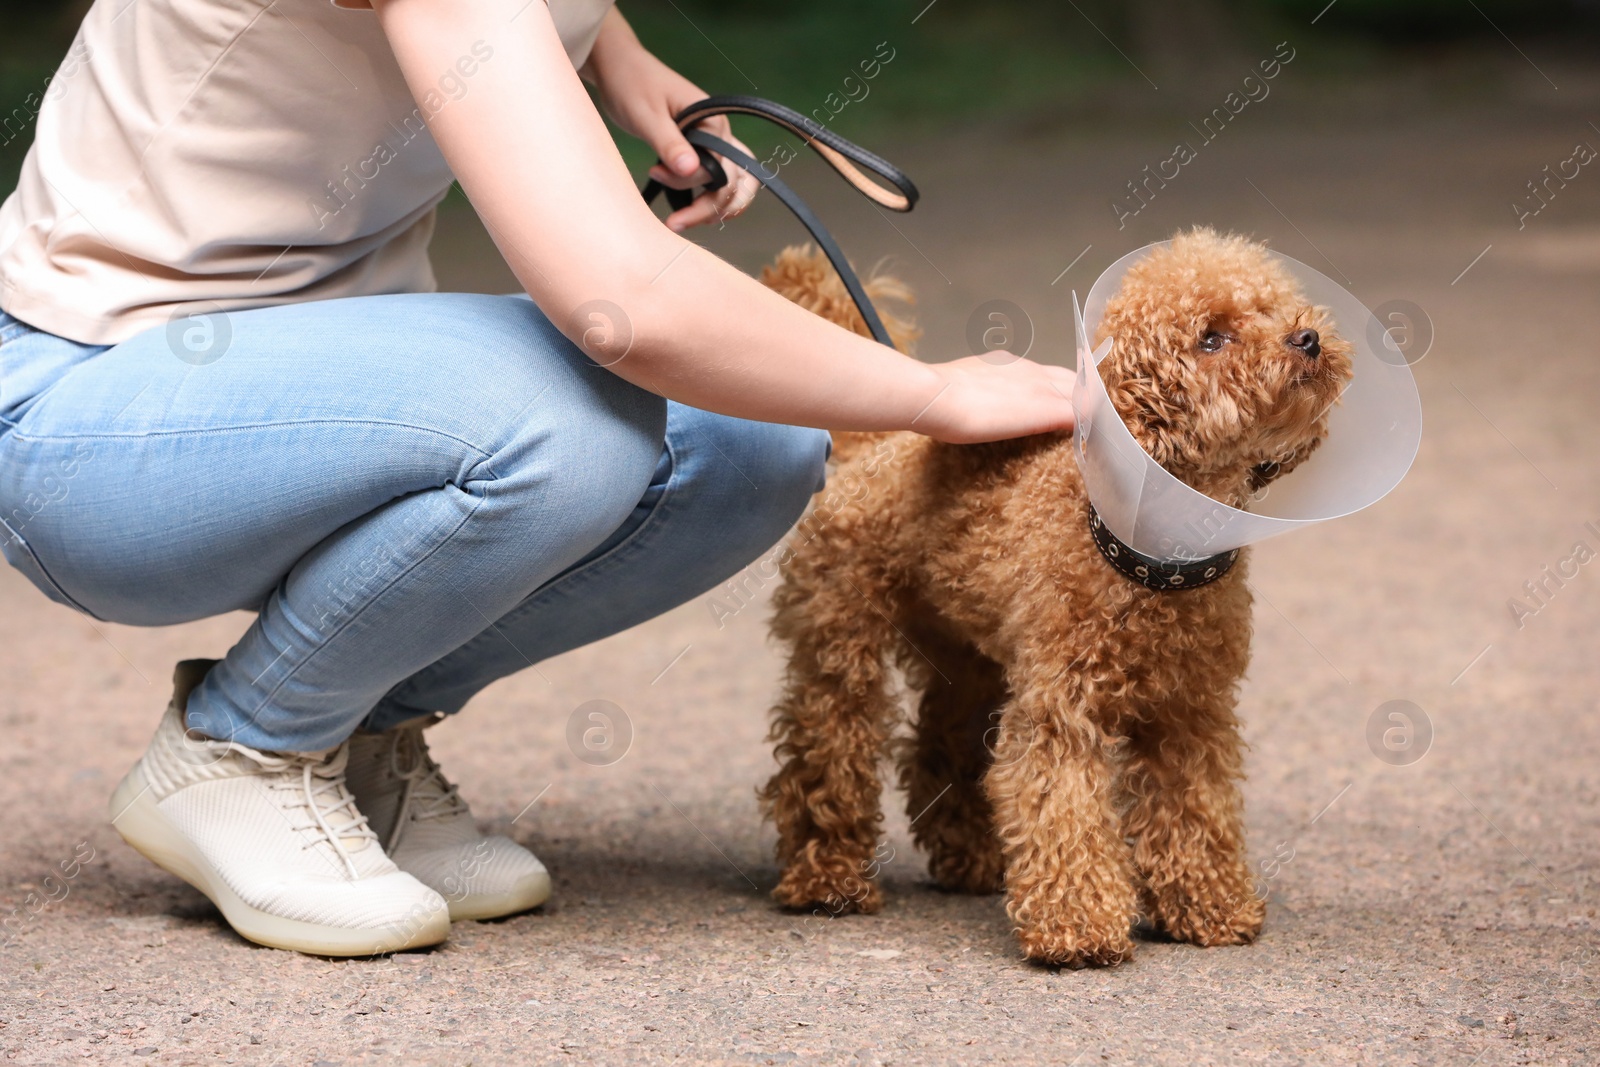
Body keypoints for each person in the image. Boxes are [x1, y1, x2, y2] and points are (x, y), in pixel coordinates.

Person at [0, 0, 1076, 956]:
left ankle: (357, 726)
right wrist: (929, 394)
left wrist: (618, 55)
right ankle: (245, 744)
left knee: (756, 446)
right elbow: (622, 302)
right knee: (572, 424)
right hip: (86, 413)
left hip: (297, 394)